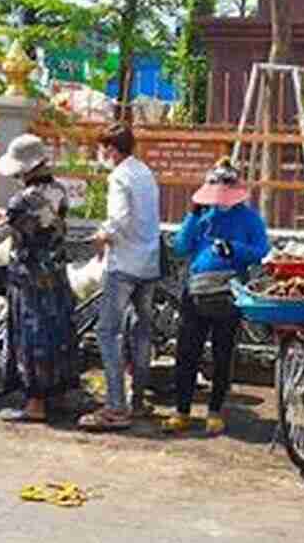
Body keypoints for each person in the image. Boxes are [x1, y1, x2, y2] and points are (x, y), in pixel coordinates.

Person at [0, 134, 75, 423]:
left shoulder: (22, 199)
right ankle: (59, 394)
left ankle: (35, 405)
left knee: (31, 337)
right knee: (57, 332)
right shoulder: (59, 191)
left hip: (29, 278)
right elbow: (40, 222)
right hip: (55, 273)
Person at [163, 158, 269, 436]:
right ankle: (182, 410)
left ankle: (215, 410)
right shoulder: (202, 216)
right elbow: (181, 247)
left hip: (228, 292)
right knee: (186, 352)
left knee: (223, 353)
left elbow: (261, 249)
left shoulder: (249, 218)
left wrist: (234, 249)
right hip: (195, 290)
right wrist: (192, 215)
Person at [79, 123, 161, 431]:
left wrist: (103, 235)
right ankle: (138, 401)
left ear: (111, 149)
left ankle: (115, 406)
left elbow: (120, 218)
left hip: (124, 263)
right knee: (141, 332)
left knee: (107, 331)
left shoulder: (120, 176)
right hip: (149, 261)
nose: (102, 155)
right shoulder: (145, 173)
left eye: (103, 149)